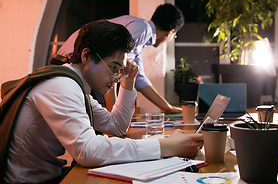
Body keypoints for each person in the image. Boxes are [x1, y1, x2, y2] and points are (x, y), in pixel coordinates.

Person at [2, 20, 203, 183]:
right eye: (113, 68)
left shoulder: (78, 88)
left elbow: (117, 126)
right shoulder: (62, 86)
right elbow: (88, 151)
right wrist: (166, 146)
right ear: (87, 56)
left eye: (120, 70)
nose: (117, 77)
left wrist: (129, 81)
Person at [52, 3, 184, 114]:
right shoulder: (143, 29)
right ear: (170, 32)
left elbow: (139, 78)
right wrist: (113, 114)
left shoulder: (140, 32)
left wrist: (168, 108)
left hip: (70, 63)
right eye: (175, 36)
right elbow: (112, 67)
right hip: (72, 65)